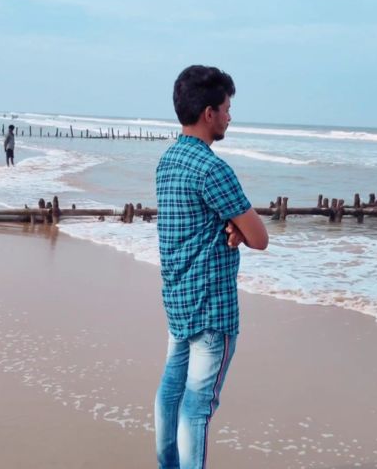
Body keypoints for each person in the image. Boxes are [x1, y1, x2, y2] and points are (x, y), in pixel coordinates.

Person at [155, 65, 269, 469]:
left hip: (178, 300)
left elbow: (194, 223)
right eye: (226, 108)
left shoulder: (168, 161)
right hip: (211, 307)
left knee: (171, 393)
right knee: (198, 407)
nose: (229, 117)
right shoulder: (213, 169)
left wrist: (231, 227)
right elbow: (260, 237)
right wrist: (238, 227)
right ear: (209, 113)